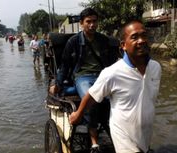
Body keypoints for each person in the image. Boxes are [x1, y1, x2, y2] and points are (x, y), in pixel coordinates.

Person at [69, 20, 162, 153]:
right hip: (124, 137)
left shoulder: (156, 67)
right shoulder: (112, 73)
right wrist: (78, 114)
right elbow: (91, 96)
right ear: (123, 45)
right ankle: (94, 139)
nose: (141, 41)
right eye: (135, 37)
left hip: (145, 136)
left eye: (144, 36)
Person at [49, 8, 118, 153]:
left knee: (119, 98)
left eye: (94, 21)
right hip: (82, 77)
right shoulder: (73, 42)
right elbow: (65, 65)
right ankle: (94, 142)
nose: (92, 25)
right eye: (88, 22)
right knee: (91, 99)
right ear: (81, 23)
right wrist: (58, 83)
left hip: (103, 75)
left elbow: (113, 64)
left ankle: (119, 132)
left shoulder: (104, 40)